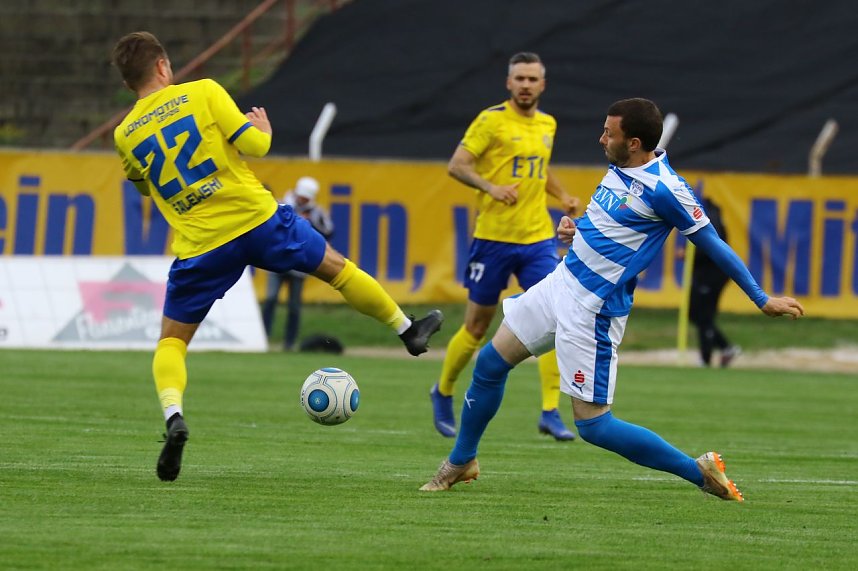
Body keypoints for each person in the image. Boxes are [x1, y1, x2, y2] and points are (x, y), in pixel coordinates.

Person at [420, 98, 804, 501]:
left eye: (609, 133)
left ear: (633, 143)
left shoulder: (666, 189)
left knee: (593, 426)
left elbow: (713, 243)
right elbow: (612, 223)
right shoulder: (619, 166)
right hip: (562, 282)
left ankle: (698, 472)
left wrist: (761, 298)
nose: (601, 139)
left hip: (593, 309)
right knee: (490, 364)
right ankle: (461, 461)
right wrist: (578, 229)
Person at [110, 31, 443, 482]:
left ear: (127, 82)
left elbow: (145, 186)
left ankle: (174, 417)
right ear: (163, 66)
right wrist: (262, 128)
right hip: (258, 221)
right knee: (337, 269)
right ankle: (407, 329)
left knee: (172, 342)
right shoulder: (203, 92)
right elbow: (256, 147)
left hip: (202, 245)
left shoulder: (125, 134)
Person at [430, 52, 581, 441]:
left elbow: (539, 168)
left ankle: (550, 411)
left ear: (542, 85)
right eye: (520, 78)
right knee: (477, 327)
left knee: (555, 318)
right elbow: (457, 165)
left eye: (532, 79)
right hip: (493, 239)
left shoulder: (547, 123)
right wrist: (491, 187)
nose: (526, 85)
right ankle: (442, 391)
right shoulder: (491, 120)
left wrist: (562, 195)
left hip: (536, 239)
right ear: (509, 83)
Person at [261, 176, 334, 350]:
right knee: (270, 299)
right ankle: (263, 338)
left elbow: (329, 231)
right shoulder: (283, 204)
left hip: (299, 265)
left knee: (294, 306)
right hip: (277, 260)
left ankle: (289, 343)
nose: (303, 200)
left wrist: (309, 223)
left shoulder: (316, 212)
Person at [687, 195, 741, 367]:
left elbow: (711, 245)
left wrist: (691, 255)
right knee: (695, 314)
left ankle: (706, 358)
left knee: (703, 315)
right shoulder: (710, 214)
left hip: (711, 274)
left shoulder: (708, 216)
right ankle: (726, 348)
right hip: (710, 273)